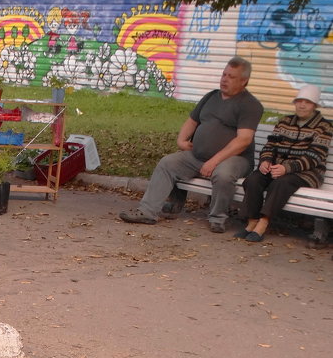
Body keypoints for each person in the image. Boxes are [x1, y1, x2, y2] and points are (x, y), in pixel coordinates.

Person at [120, 56, 263, 232]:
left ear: (244, 81)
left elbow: (244, 140)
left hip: (235, 158)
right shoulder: (211, 97)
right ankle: (147, 212)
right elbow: (192, 121)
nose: (224, 79)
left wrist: (215, 161)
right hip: (199, 155)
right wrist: (181, 140)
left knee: (223, 174)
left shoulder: (250, 105)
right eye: (224, 74)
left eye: (231, 77)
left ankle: (217, 218)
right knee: (167, 163)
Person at [234, 85, 331, 243]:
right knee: (254, 179)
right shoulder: (285, 121)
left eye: (307, 102)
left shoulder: (324, 126)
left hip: (306, 173)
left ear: (314, 105)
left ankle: (264, 223)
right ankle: (252, 221)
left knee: (281, 183)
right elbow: (270, 146)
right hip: (277, 168)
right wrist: (266, 161)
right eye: (299, 101)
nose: (302, 105)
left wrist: (287, 168)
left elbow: (315, 156)